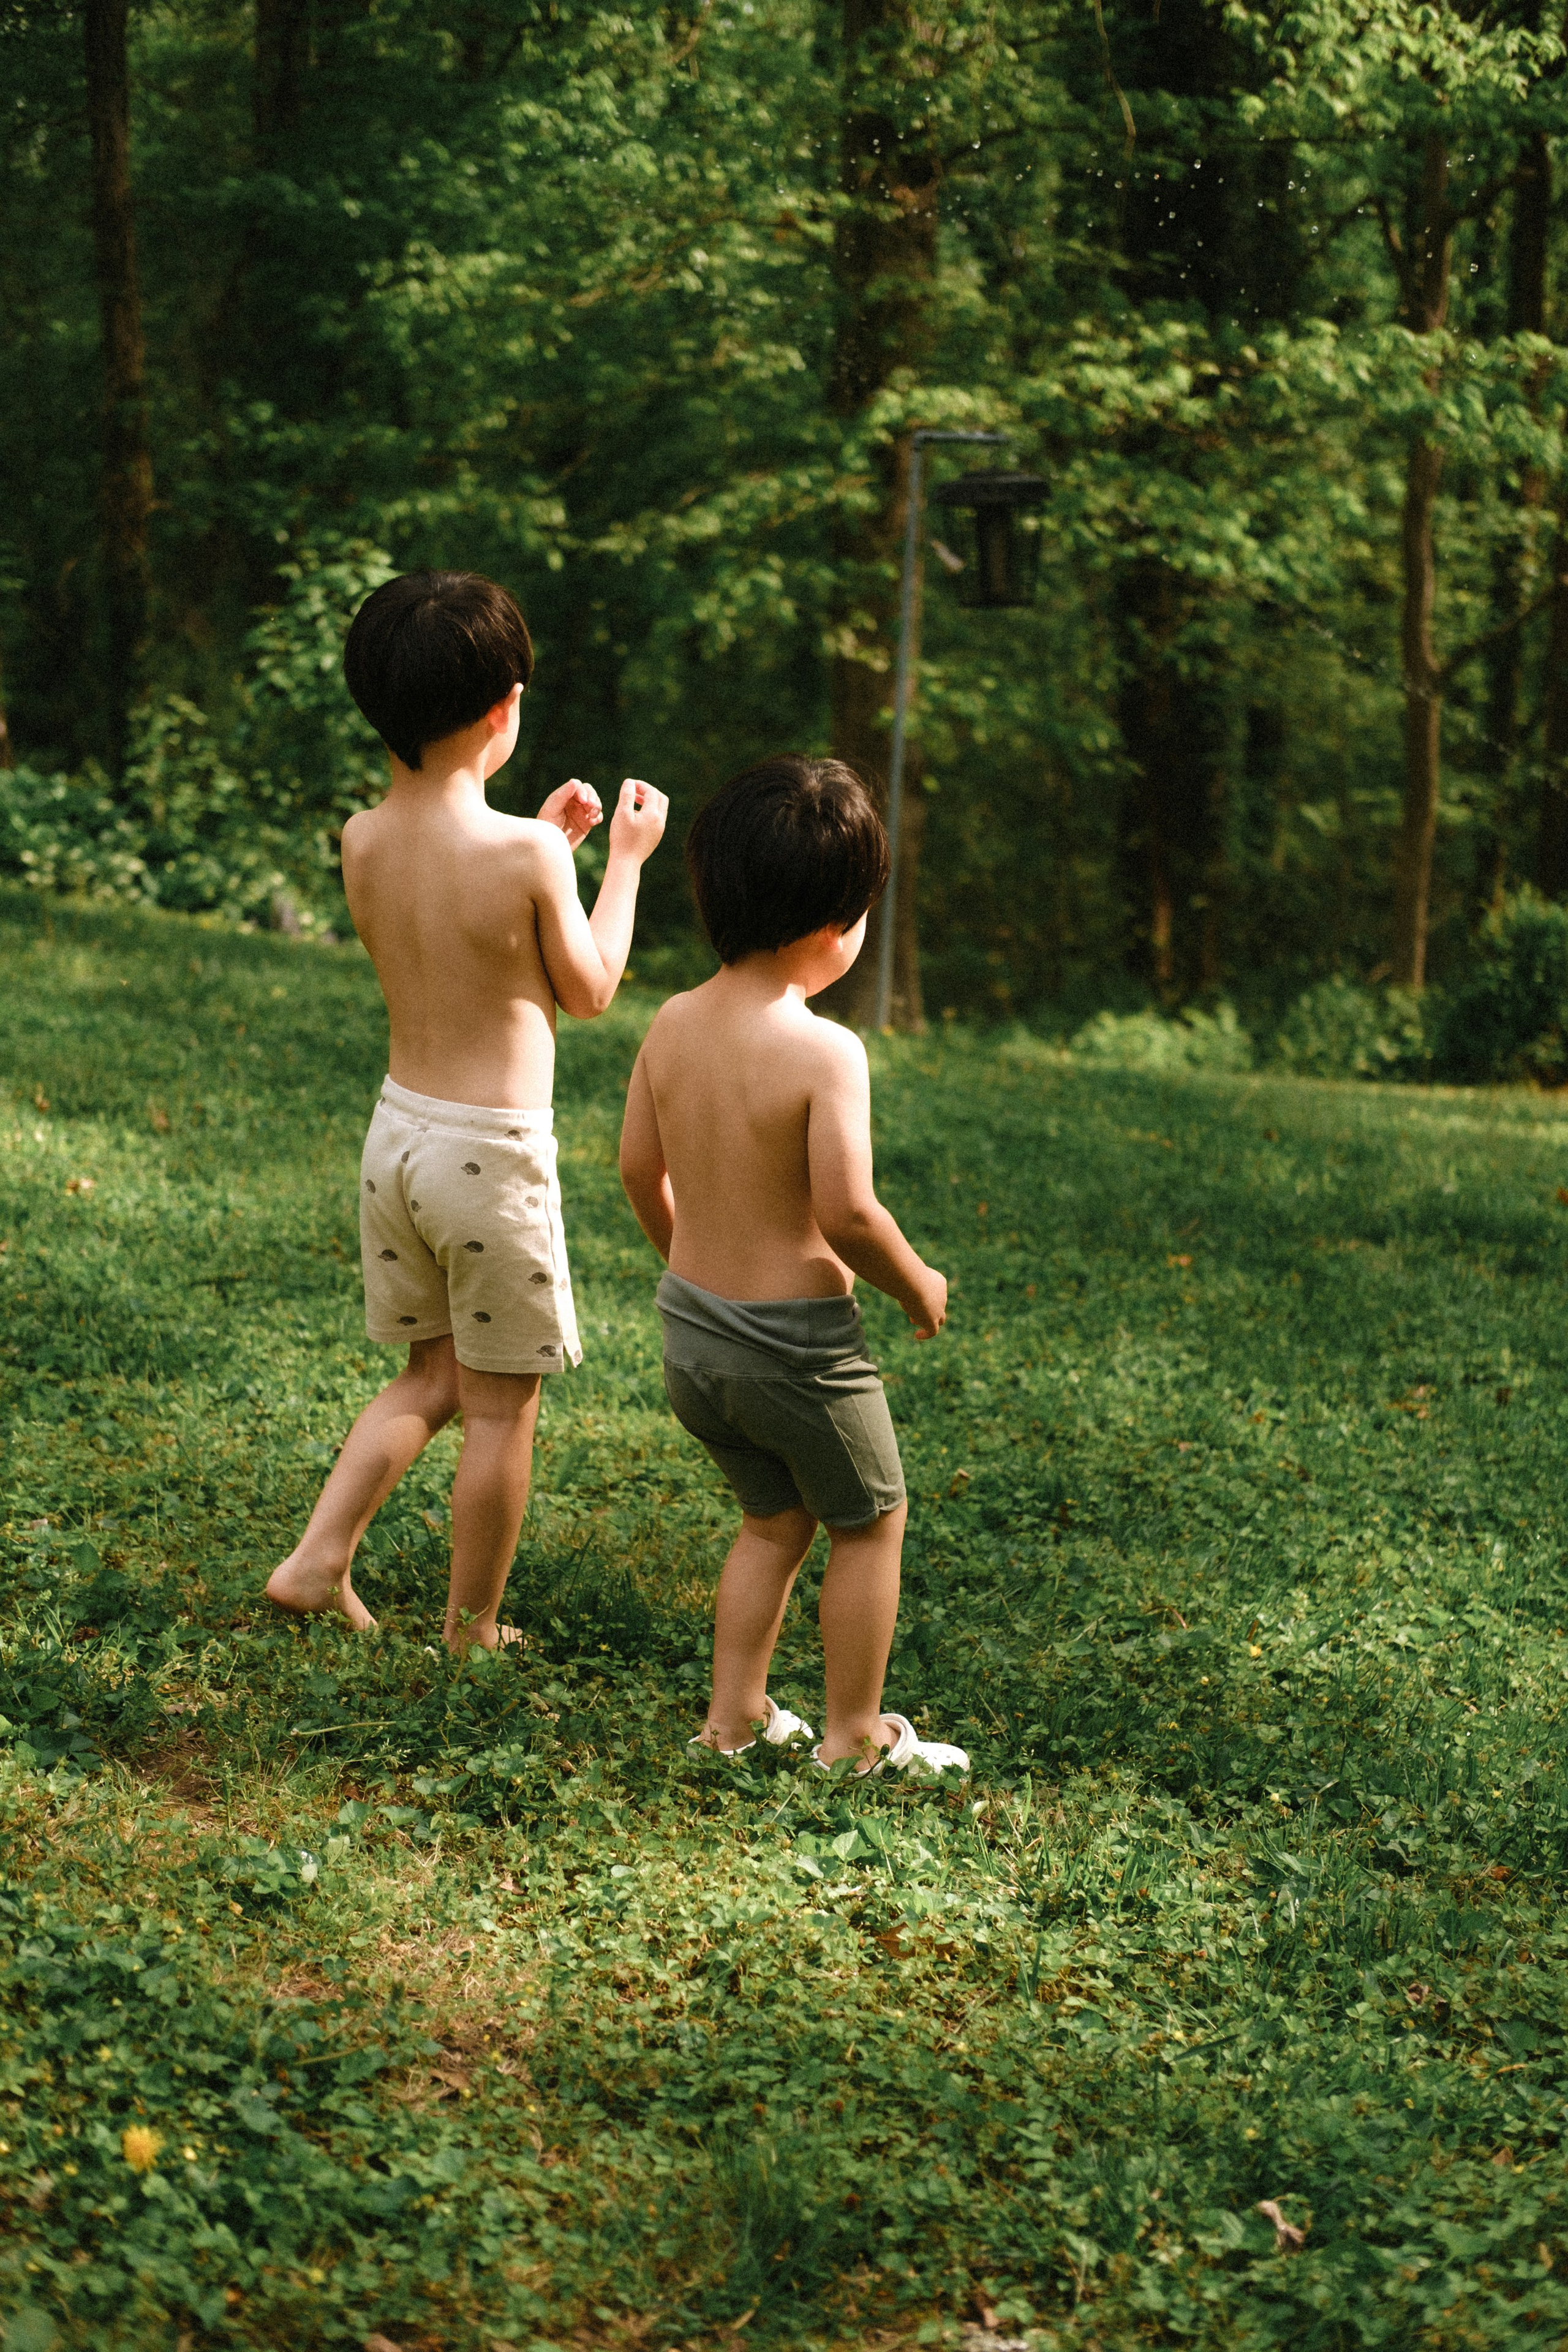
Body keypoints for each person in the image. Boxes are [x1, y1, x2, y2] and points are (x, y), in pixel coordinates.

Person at [266, 570, 667, 1649]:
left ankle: (315, 1562)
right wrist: (617, 867)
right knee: (500, 1409)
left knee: (430, 1374)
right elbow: (585, 989)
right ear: (505, 710)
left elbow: (463, 934)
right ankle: (472, 1629)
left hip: (397, 1141)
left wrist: (549, 855)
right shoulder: (527, 855)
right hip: (491, 1163)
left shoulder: (362, 839)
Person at [618, 755, 968, 1774]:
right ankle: (856, 1737)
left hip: (695, 1340)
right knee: (872, 1520)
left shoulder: (672, 1023)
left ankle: (733, 1721)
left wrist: (685, 1260)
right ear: (834, 926)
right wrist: (917, 1281)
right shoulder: (825, 1053)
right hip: (800, 1351)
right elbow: (848, 1211)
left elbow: (639, 1167)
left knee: (773, 1519)